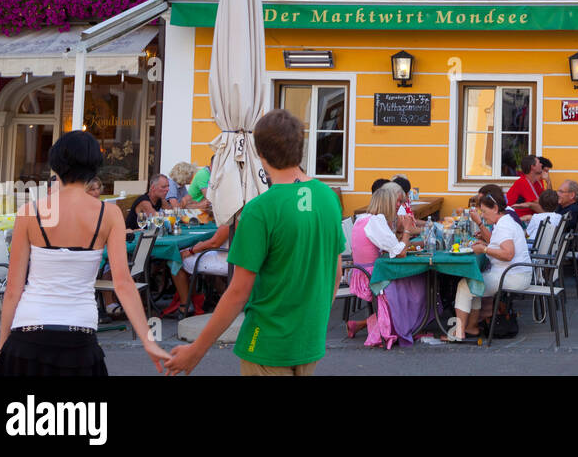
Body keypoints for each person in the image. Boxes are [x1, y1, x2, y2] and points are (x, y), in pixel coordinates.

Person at [162, 109, 344, 376]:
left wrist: (196, 351)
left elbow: (237, 293)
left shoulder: (259, 210)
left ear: (260, 154)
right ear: (301, 148)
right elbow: (336, 271)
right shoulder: (328, 198)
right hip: (309, 341)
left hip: (267, 342)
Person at [0, 131, 171, 375]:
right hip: (79, 334)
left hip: (28, 332)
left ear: (56, 165)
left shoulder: (29, 212)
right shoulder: (108, 214)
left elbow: (13, 289)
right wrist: (148, 341)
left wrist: (2, 348)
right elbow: (123, 284)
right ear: (94, 168)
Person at [346, 183, 426, 348]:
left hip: (361, 274)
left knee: (412, 279)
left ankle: (361, 324)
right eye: (397, 202)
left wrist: (399, 231)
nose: (400, 205)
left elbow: (389, 246)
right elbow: (400, 252)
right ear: (388, 202)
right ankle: (411, 325)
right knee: (418, 281)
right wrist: (407, 231)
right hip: (373, 277)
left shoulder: (364, 218)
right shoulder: (376, 222)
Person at [451, 192, 532, 341]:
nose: (483, 216)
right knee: (474, 282)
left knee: (464, 286)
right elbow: (503, 247)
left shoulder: (504, 226)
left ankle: (459, 333)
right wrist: (486, 244)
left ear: (495, 208)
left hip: (512, 276)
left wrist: (485, 249)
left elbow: (508, 254)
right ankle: (471, 328)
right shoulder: (506, 221)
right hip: (518, 273)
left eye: (484, 212)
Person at [507, 155, 544, 220]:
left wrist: (548, 182)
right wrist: (549, 214)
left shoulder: (537, 182)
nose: (541, 164)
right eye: (539, 163)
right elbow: (538, 206)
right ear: (533, 167)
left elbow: (546, 203)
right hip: (515, 220)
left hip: (528, 219)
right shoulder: (522, 182)